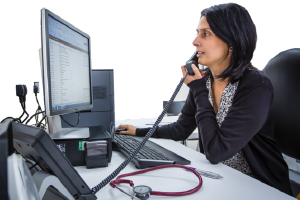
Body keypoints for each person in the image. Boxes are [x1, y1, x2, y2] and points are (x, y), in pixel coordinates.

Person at [116, 3, 293, 195]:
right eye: (197, 33)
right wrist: (139, 131)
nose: (194, 41)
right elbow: (180, 129)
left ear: (231, 42)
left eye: (205, 34)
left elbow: (216, 151)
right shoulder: (205, 80)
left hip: (260, 187)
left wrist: (199, 90)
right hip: (223, 178)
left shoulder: (255, 85)